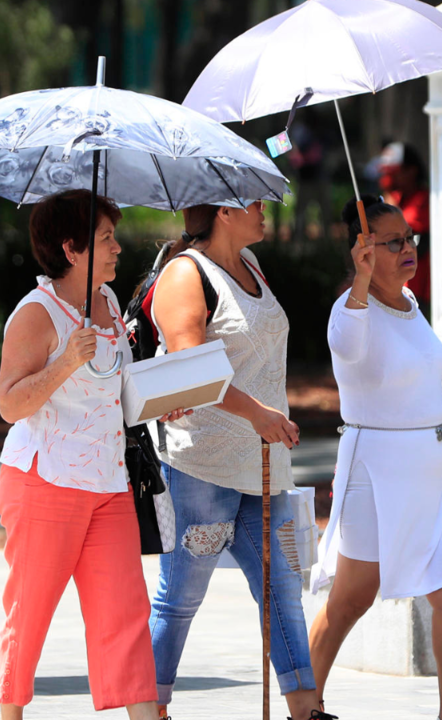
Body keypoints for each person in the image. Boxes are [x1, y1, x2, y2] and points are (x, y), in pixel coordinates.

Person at [0, 190, 187, 719]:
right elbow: (10, 403)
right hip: (45, 484)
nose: (118, 248)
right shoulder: (36, 314)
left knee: (125, 615)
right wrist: (64, 362)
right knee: (29, 612)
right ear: (71, 248)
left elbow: (115, 392)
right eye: (105, 239)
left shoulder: (105, 300)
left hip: (108, 484)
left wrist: (158, 404)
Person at [148, 201, 330, 720]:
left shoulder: (251, 267)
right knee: (181, 595)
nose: (265, 209)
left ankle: (305, 710)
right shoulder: (185, 273)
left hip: (263, 464)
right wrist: (256, 414)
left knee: (281, 591)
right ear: (224, 211)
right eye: (252, 201)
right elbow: (189, 369)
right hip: (201, 465)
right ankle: (150, 708)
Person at [308, 196, 442, 720]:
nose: (408, 248)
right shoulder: (348, 310)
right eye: (394, 241)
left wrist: (438, 366)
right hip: (376, 473)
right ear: (363, 251)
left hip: (430, 473)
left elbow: (408, 361)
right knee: (351, 599)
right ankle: (303, 705)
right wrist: (359, 282)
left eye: (410, 238)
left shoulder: (410, 302)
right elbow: (348, 346)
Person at [374, 141, 430, 308]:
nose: (389, 179)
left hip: (418, 287)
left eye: (395, 173)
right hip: (394, 286)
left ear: (412, 171)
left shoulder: (424, 200)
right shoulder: (395, 198)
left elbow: (408, 238)